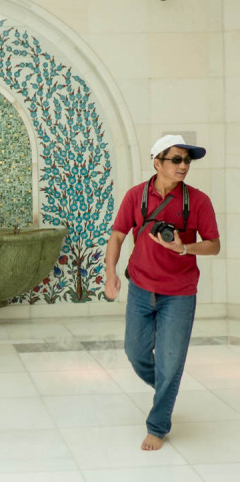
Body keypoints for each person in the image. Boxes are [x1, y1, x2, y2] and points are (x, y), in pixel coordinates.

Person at [104, 134, 220, 451]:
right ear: (157, 163)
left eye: (187, 160)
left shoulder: (197, 201)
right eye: (177, 159)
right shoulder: (135, 197)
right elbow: (117, 236)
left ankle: (158, 425)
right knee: (136, 353)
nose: (184, 166)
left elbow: (214, 245)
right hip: (141, 288)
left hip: (180, 294)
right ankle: (167, 388)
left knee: (171, 362)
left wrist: (185, 248)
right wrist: (110, 272)